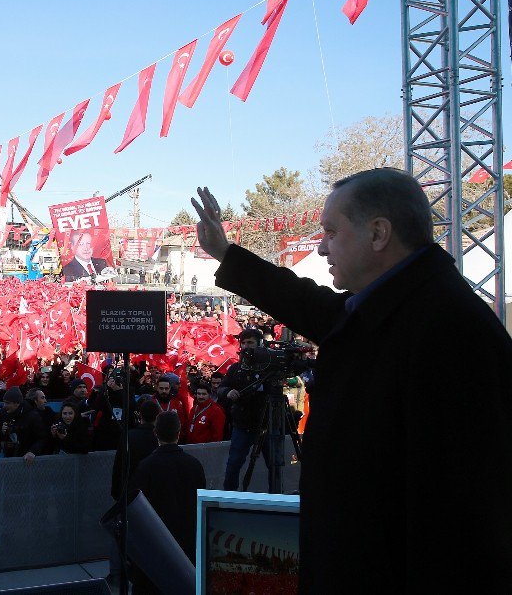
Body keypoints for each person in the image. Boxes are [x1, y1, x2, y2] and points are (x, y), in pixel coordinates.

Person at [191, 171, 512, 591]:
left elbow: (463, 524)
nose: (322, 246)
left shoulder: (453, 332)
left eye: (331, 231)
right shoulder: (390, 307)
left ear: (379, 233)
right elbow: (305, 300)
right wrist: (225, 252)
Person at [130, 411, 206, 572]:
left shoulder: (146, 466)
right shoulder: (194, 464)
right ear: (178, 433)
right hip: (188, 541)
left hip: (158, 542)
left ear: (155, 433)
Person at [215, 329, 270, 490]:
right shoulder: (235, 368)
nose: (246, 346)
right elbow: (221, 388)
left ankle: (277, 498)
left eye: (250, 342)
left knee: (275, 465)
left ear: (259, 344)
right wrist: (227, 392)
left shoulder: (268, 368)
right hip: (242, 426)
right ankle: (229, 497)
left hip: (266, 425)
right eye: (244, 343)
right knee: (233, 464)